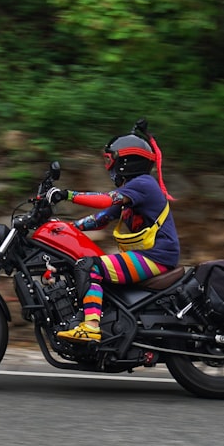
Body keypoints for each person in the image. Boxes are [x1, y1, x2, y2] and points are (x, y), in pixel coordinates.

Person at [48, 121, 180, 342]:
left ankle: (90, 327)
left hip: (157, 256)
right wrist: (68, 227)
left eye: (110, 160)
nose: (108, 167)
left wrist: (68, 195)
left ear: (126, 161)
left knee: (90, 266)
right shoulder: (132, 191)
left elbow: (105, 200)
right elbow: (101, 219)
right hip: (150, 255)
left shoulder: (143, 184)